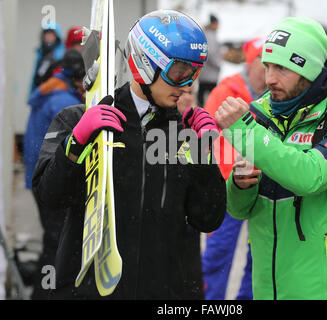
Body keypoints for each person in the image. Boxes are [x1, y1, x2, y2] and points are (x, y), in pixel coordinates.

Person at [32, 9, 226, 299]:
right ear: (146, 63)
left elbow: (207, 218)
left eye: (195, 73)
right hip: (89, 290)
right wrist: (75, 144)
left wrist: (202, 154)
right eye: (179, 72)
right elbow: (50, 196)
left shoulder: (182, 135)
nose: (188, 85)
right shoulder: (77, 119)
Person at [215, 17, 327, 300]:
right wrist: (240, 185)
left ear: (309, 69)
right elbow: (239, 210)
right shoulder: (261, 116)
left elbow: (309, 177)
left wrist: (243, 132)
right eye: (267, 66)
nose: (269, 78)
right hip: (268, 290)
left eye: (282, 68)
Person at [201, 37, 267, 300]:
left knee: (259, 258)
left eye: (277, 66)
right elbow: (203, 137)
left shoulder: (279, 97)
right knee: (218, 254)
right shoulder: (226, 91)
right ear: (251, 63)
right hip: (227, 187)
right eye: (265, 64)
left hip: (265, 190)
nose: (271, 73)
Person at [24, 49, 85, 299]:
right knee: (57, 242)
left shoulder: (51, 90)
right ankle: (44, 293)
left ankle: (41, 291)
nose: (86, 84)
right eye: (84, 78)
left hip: (37, 173)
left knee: (52, 239)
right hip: (49, 176)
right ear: (75, 77)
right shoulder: (63, 102)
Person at [29, 23, 65, 94]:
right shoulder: (41, 52)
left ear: (56, 36)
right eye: (47, 34)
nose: (49, 37)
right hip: (40, 91)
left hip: (53, 92)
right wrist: (32, 94)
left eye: (51, 34)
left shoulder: (61, 53)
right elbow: (36, 75)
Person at [197, 14, 222, 106]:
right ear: (214, 23)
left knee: (202, 93)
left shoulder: (206, 33)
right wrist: (218, 64)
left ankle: (200, 111)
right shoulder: (210, 35)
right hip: (210, 73)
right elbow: (211, 53)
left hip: (204, 72)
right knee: (211, 97)